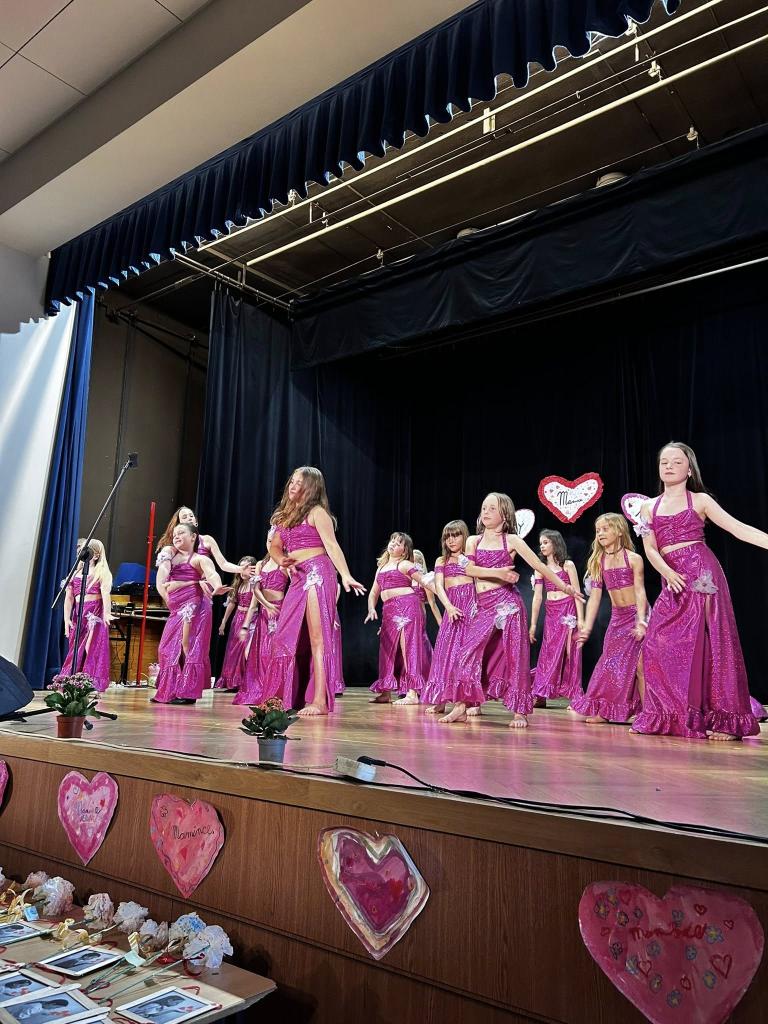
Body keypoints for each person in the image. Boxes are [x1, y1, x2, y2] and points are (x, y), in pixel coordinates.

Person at [632, 442, 764, 740]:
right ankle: (671, 715)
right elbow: (650, 549)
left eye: (676, 462)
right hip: (672, 577)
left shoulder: (700, 500)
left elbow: (737, 528)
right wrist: (667, 572)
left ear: (689, 470)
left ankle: (726, 720)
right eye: (664, 461)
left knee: (712, 641)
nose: (669, 466)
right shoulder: (648, 506)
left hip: (702, 573)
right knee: (656, 644)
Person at [449, 492, 583, 727]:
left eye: (492, 508)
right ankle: (462, 705)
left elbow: (539, 565)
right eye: (484, 507)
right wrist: (499, 573)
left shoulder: (512, 541)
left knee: (516, 656)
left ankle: (520, 711)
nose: (486, 512)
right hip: (484, 605)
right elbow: (469, 569)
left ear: (504, 514)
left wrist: (565, 587)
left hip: (508, 604)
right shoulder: (473, 541)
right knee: (466, 652)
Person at [263, 467, 365, 716]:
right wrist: (281, 560)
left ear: (311, 487)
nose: (293, 485)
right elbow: (275, 547)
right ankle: (285, 696)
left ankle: (319, 700)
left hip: (317, 573)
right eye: (292, 481)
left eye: (299, 482)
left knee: (318, 638)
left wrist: (346, 575)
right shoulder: (284, 517)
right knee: (285, 636)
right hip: (298, 577)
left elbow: (332, 545)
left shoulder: (317, 513)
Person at [568, 514, 647, 724]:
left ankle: (647, 713)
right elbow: (594, 597)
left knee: (640, 666)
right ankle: (606, 710)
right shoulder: (599, 561)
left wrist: (642, 620)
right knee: (610, 665)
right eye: (598, 530)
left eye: (605, 529)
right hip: (618, 619)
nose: (600, 533)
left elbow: (640, 591)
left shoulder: (633, 558)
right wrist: (586, 627)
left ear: (619, 531)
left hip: (636, 615)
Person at [153, 524, 227, 705]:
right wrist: (167, 596)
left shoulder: (199, 559)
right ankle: (169, 691)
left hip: (193, 607)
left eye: (181, 533)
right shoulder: (170, 555)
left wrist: (217, 586)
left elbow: (212, 574)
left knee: (190, 648)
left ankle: (188, 693)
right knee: (166, 648)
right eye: (174, 534)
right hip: (175, 609)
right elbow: (162, 577)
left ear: (193, 537)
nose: (176, 536)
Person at [421, 520, 477, 716]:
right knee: (444, 654)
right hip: (452, 608)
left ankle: (470, 701)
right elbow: (439, 586)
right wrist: (449, 606)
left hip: (471, 608)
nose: (451, 540)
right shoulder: (441, 561)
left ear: (464, 536)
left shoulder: (471, 558)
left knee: (468, 656)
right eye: (447, 537)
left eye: (455, 535)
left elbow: (479, 582)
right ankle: (440, 700)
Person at [367, 532, 430, 705]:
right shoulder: (381, 567)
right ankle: (385, 692)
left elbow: (425, 581)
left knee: (409, 648)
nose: (393, 543)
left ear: (405, 550)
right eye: (392, 540)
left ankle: (412, 693)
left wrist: (446, 599)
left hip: (407, 607)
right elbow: (373, 593)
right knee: (386, 651)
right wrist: (371, 608)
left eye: (398, 542)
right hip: (389, 610)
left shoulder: (405, 564)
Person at [529, 529, 583, 706]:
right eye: (541, 543)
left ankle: (574, 694)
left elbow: (577, 594)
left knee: (570, 651)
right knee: (548, 652)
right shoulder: (541, 568)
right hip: (551, 612)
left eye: (546, 542)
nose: (542, 546)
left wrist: (581, 621)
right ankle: (541, 693)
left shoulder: (567, 565)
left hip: (567, 610)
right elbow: (537, 597)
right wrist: (533, 624)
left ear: (555, 543)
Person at [54, 539, 112, 691]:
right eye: (80, 551)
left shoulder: (101, 572)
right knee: (75, 647)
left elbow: (106, 594)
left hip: (94, 613)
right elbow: (69, 598)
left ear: (96, 555)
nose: (81, 554)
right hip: (79, 613)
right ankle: (73, 678)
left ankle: (90, 679)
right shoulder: (75, 574)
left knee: (90, 646)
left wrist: (107, 613)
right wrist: (66, 619)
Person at [215, 556, 259, 691]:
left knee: (245, 649)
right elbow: (232, 603)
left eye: (246, 567)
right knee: (233, 650)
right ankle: (232, 682)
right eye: (241, 567)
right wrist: (223, 622)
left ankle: (244, 682)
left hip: (252, 619)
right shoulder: (238, 584)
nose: (243, 571)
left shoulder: (255, 584)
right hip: (238, 618)